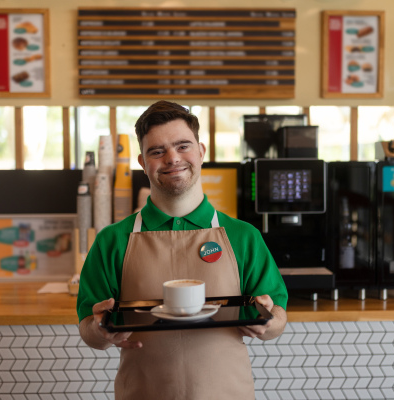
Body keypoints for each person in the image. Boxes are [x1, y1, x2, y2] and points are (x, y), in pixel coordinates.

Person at [77, 100, 288, 399]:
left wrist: (266, 322)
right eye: (157, 151)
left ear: (201, 152)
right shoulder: (112, 240)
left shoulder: (243, 236)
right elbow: (89, 328)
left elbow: (278, 317)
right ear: (142, 162)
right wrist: (100, 330)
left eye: (182, 146)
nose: (172, 158)